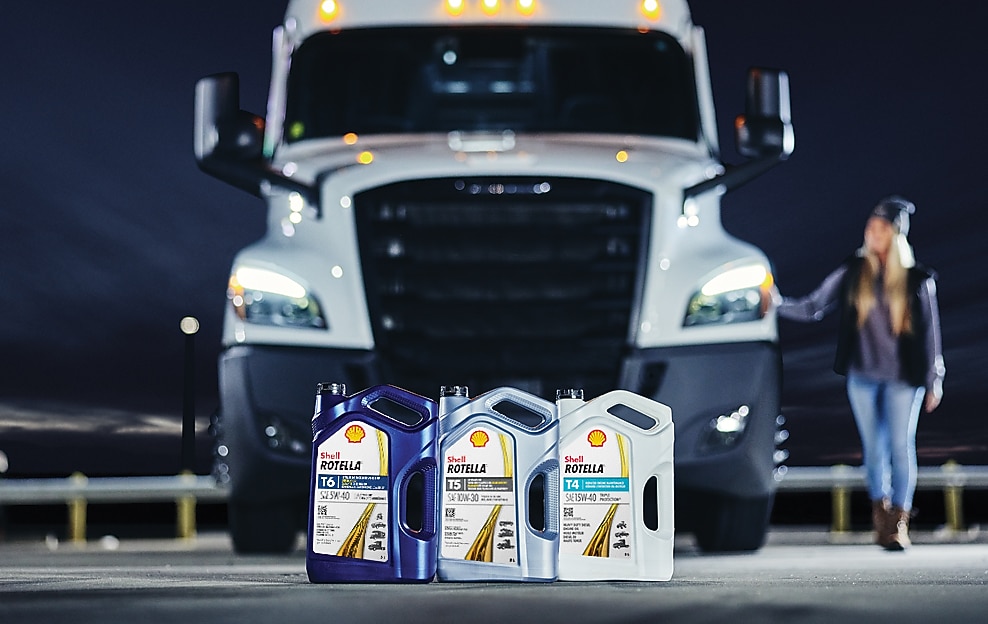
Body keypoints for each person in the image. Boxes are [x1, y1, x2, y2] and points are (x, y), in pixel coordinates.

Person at [776, 195, 945, 551]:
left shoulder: (918, 280)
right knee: (873, 449)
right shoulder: (854, 270)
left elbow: (931, 336)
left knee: (901, 446)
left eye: (881, 228)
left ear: (896, 235)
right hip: (863, 377)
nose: (872, 233)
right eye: (870, 227)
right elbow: (813, 307)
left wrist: (935, 380)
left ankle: (899, 523)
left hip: (904, 379)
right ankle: (880, 519)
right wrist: (775, 303)